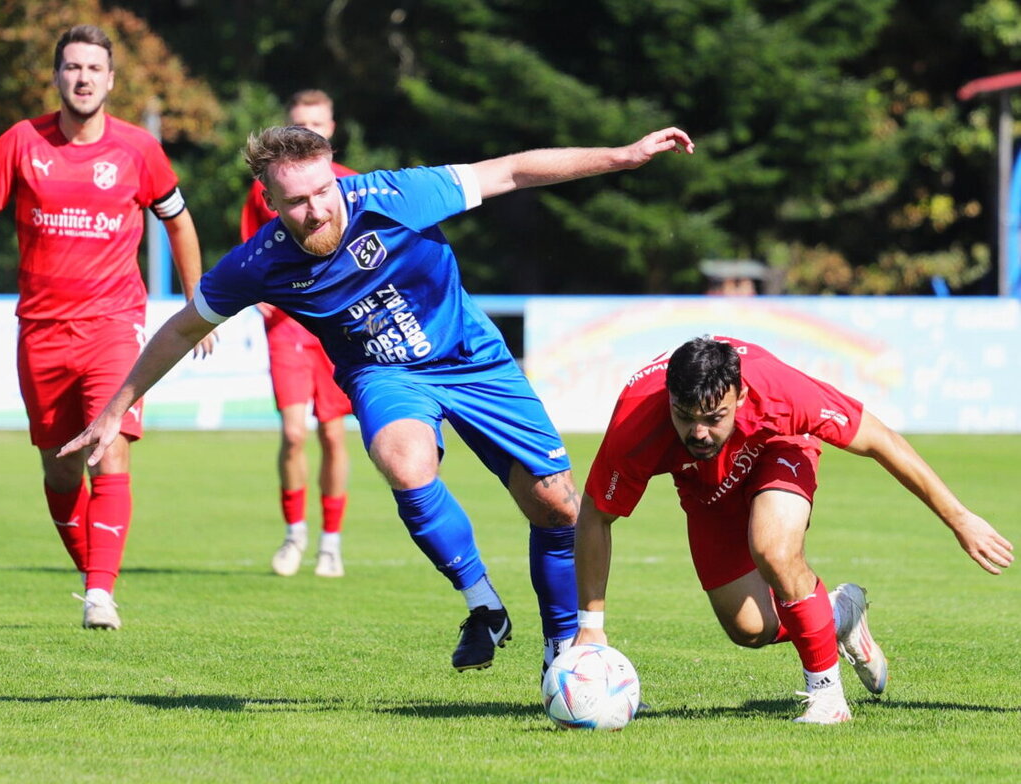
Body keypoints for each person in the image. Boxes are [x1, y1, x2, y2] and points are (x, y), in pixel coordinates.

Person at [59, 124, 696, 672]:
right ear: (270, 201)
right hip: (383, 374)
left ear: (336, 177)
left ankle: (564, 650)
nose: (316, 210)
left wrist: (622, 155)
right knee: (402, 460)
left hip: (472, 357)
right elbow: (181, 328)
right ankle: (483, 603)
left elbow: (510, 170)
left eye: (322, 191)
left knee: (557, 505)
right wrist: (116, 409)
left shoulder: (395, 194)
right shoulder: (257, 263)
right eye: (297, 201)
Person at [574, 335, 1014, 723]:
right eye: (685, 416)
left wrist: (958, 517)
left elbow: (880, 440)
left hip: (778, 448)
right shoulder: (638, 419)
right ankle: (839, 613)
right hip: (706, 488)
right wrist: (590, 623)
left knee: (774, 549)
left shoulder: (780, 390)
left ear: (741, 394)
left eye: (714, 417)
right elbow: (596, 515)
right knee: (749, 628)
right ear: (668, 398)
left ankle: (828, 698)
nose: (699, 432)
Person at [0, 24, 214, 631]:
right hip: (40, 332)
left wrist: (199, 297)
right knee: (59, 467)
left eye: (94, 68)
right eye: (72, 67)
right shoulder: (20, 142)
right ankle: (95, 579)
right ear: (57, 76)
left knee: (107, 447)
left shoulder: (139, 150)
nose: (83, 77)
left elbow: (179, 220)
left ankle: (100, 594)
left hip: (114, 327)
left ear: (111, 79)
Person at [240, 90, 355, 579]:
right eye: (300, 123)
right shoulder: (266, 188)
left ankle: (331, 542)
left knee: (332, 434)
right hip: (288, 324)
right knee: (292, 433)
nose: (309, 130)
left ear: (331, 128)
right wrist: (260, 294)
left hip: (335, 325)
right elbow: (251, 248)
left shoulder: (350, 184)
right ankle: (295, 535)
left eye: (318, 123)